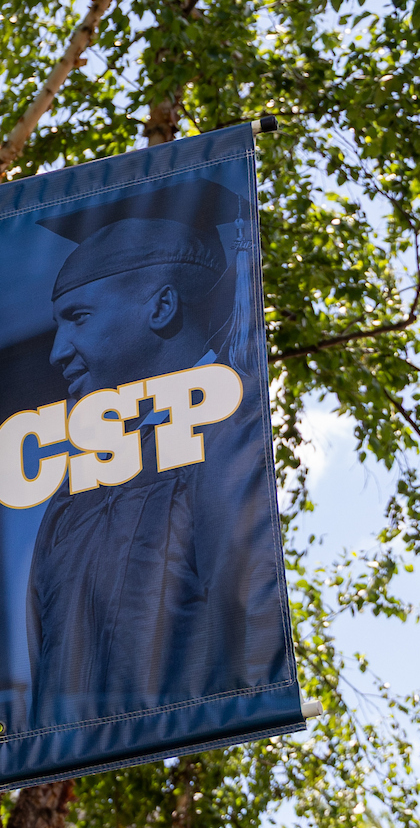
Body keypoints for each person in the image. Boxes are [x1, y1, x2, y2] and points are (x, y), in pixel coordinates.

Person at [22, 216, 294, 732]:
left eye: (78, 317)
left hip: (183, 764)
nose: (57, 352)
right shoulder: (82, 476)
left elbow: (248, 628)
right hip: (89, 772)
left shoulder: (225, 426)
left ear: (162, 307)